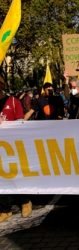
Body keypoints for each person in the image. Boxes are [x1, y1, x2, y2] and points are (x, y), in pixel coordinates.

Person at [0, 77, 32, 223]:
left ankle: (25, 202)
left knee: (15, 176)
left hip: (11, 147)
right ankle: (5, 209)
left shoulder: (13, 101)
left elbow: (20, 122)